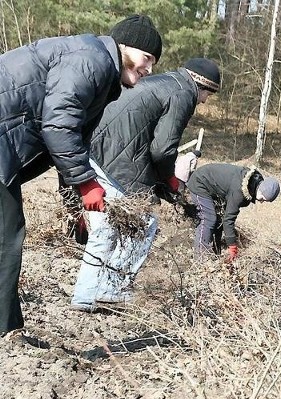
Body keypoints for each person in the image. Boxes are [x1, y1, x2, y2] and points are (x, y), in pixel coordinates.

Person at [0, 14, 162, 334]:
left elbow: (73, 143)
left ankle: (9, 329)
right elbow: (59, 125)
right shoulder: (92, 61)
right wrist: (87, 184)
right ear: (125, 46)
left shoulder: (99, 70)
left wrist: (75, 202)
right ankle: (6, 333)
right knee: (7, 235)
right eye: (147, 58)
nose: (149, 69)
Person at [70, 58, 221, 312]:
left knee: (106, 228)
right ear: (200, 85)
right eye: (207, 93)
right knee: (141, 225)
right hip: (118, 160)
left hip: (98, 147)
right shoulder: (184, 93)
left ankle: (87, 296)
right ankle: (111, 290)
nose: (204, 100)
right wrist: (172, 180)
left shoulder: (164, 81)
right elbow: (162, 150)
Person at [186, 163, 281, 262]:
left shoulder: (253, 182)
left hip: (212, 185)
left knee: (218, 220)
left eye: (264, 201)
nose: (261, 202)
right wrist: (232, 246)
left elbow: (225, 218)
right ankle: (201, 258)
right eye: (262, 198)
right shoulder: (240, 191)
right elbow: (229, 219)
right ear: (261, 189)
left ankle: (215, 252)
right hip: (200, 182)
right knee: (209, 219)